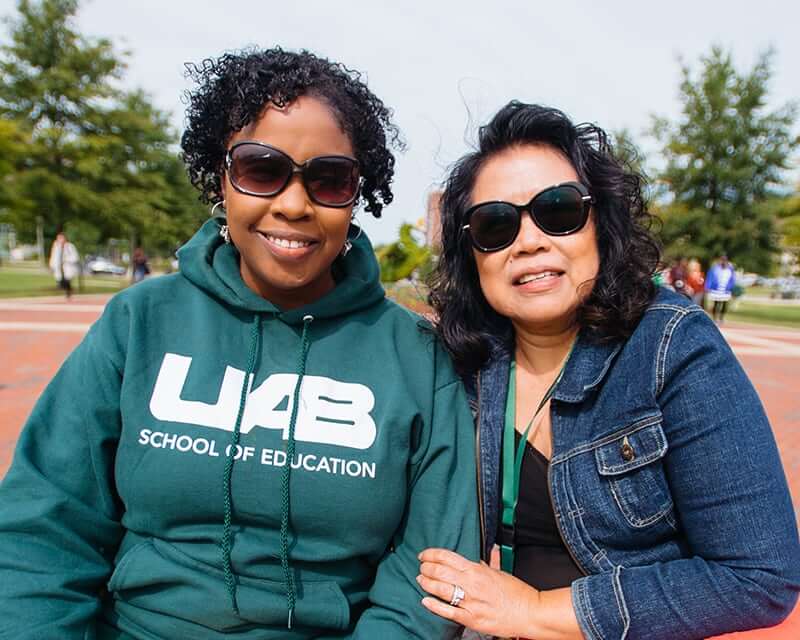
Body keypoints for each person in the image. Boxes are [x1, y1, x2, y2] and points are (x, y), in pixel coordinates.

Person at [0, 48, 479, 639]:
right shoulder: (140, 321)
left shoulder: (416, 357)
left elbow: (428, 574)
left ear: (358, 194)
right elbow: (45, 526)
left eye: (329, 179)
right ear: (220, 178)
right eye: (261, 168)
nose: (294, 203)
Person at [417, 102, 800, 639]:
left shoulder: (670, 345)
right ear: (471, 252)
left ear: (601, 224)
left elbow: (759, 578)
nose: (528, 241)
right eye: (495, 223)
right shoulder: (466, 357)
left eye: (558, 210)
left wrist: (531, 611)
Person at [48, 230, 80, 298]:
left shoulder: (70, 246)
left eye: (61, 238)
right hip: (58, 267)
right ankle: (68, 290)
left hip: (68, 267)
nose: (60, 240)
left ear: (65, 238)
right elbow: (53, 257)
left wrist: (66, 260)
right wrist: (51, 266)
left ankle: (68, 292)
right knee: (60, 282)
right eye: (58, 238)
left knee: (67, 280)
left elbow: (75, 257)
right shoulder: (56, 247)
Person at [706, 254, 736, 323]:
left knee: (725, 304)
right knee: (716, 303)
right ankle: (714, 317)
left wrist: (731, 287)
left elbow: (732, 279)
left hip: (726, 290)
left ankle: (721, 317)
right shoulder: (715, 268)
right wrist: (708, 286)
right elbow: (710, 277)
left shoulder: (730, 269)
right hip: (716, 289)